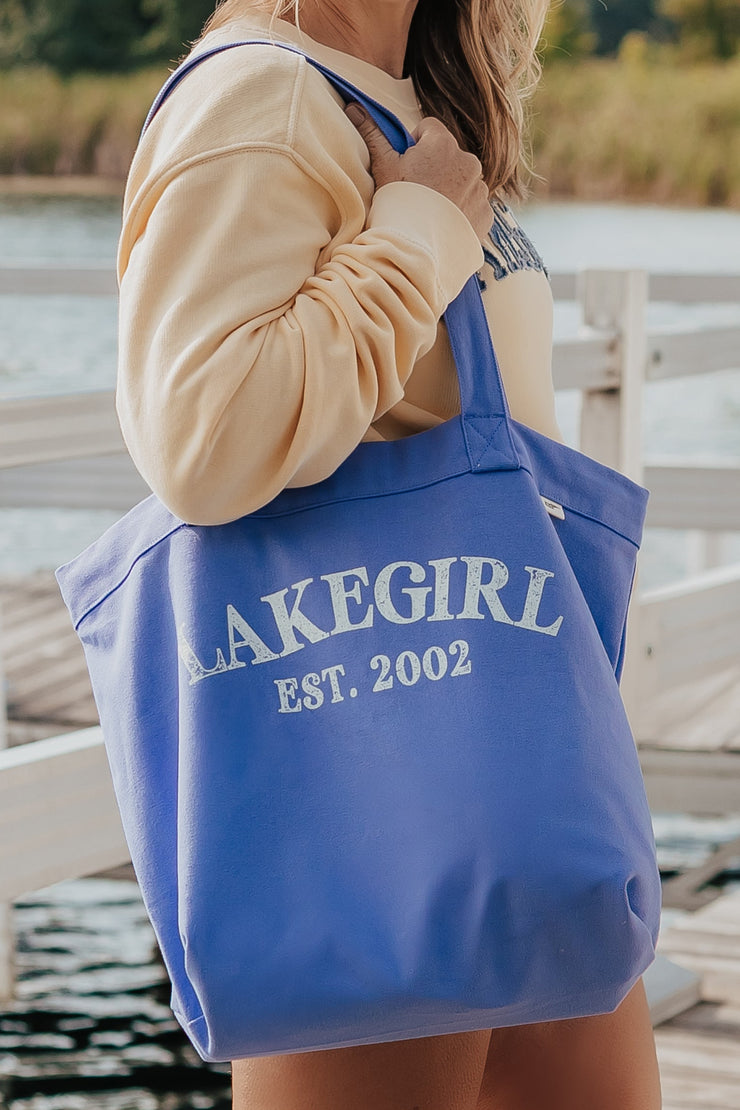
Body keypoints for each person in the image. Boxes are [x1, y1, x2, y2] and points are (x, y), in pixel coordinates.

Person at [115, 0, 662, 1106]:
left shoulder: (396, 87)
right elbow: (203, 442)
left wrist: (424, 225)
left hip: (520, 779)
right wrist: (415, 236)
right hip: (364, 786)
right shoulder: (259, 96)